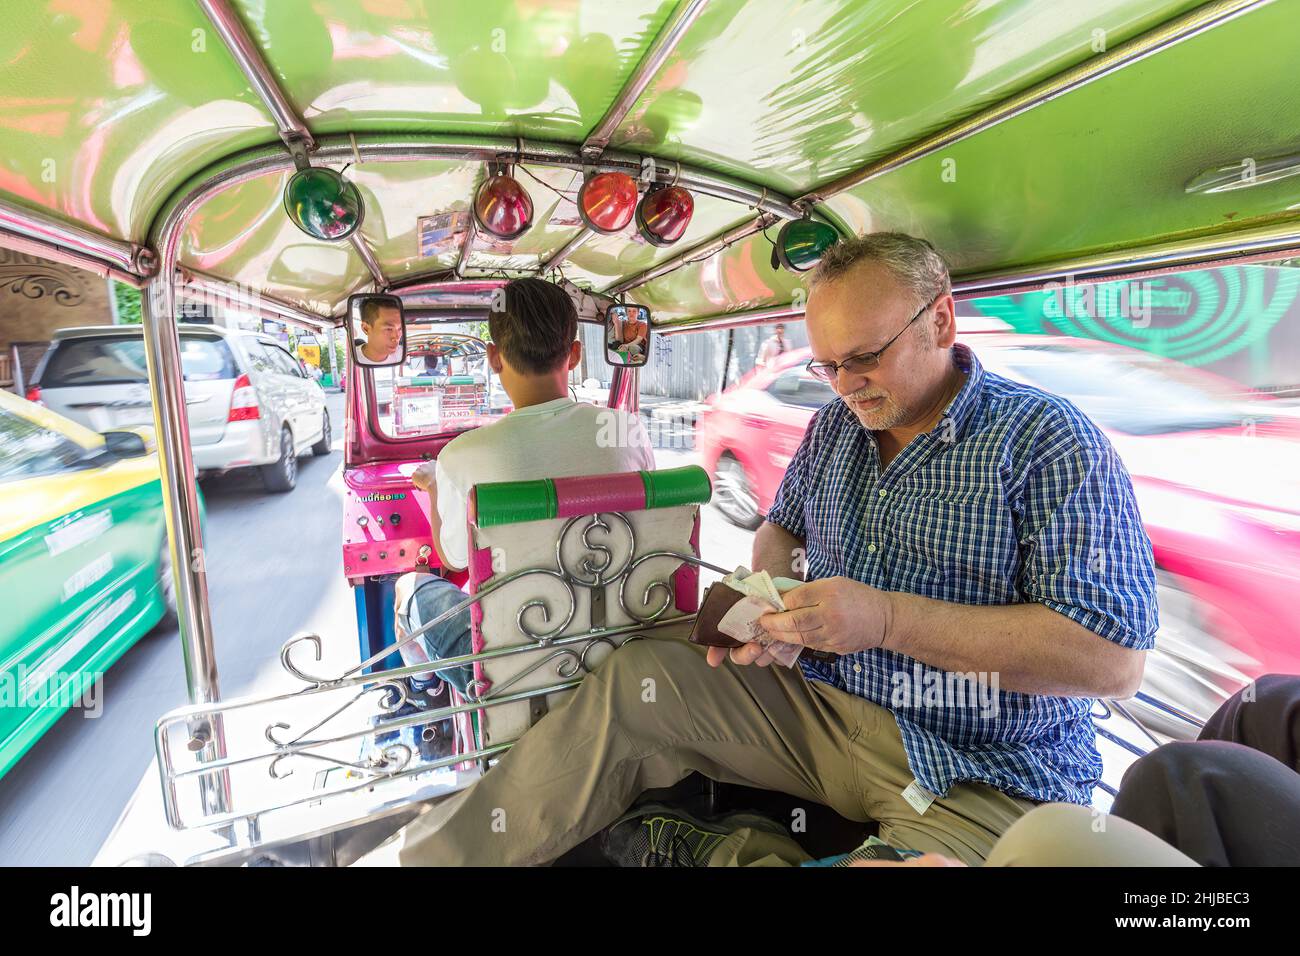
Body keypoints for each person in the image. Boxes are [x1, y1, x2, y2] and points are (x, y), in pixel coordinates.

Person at [359, 232, 1157, 867]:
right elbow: (782, 525)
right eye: (828, 364)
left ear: (940, 321)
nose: (845, 384)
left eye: (865, 359)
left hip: (983, 769)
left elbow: (1113, 662)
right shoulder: (839, 427)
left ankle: (730, 849)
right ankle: (433, 859)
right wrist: (765, 600)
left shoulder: (1049, 443)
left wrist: (881, 619)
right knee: (641, 676)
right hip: (822, 712)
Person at [393, 278, 655, 699]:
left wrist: (432, 488)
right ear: (574, 355)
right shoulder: (626, 430)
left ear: (494, 358)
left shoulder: (460, 456)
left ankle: (424, 689)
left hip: (510, 664)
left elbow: (455, 558)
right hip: (617, 640)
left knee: (409, 587)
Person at [359, 299, 404, 363]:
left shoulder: (402, 354)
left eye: (400, 329)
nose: (396, 337)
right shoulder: (351, 359)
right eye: (389, 329)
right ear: (366, 328)